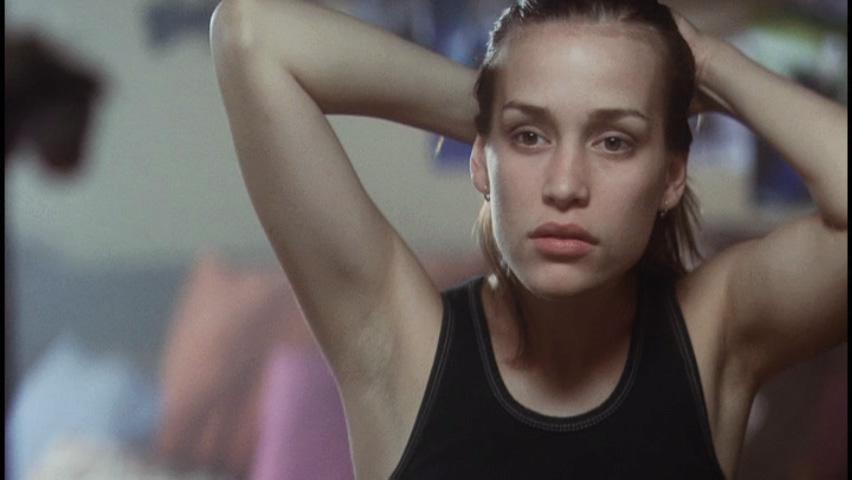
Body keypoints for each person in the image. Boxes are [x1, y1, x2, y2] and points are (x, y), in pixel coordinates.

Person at [208, 0, 847, 477]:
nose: (565, 185)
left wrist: (708, 62)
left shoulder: (719, 330)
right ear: (481, 160)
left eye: (614, 141)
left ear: (672, 176)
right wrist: (497, 102)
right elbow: (250, 34)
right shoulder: (399, 343)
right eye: (530, 138)